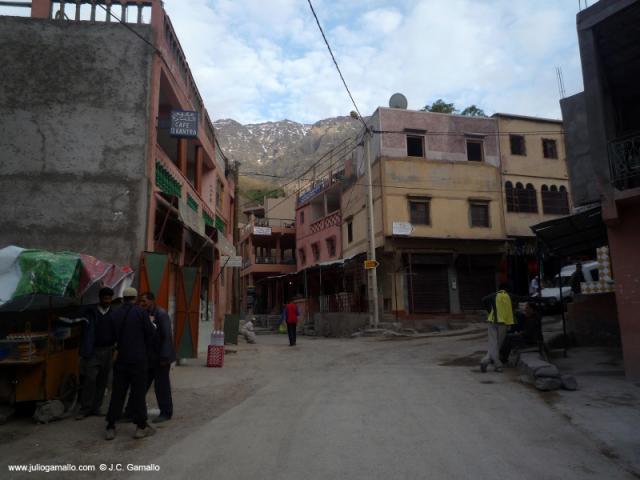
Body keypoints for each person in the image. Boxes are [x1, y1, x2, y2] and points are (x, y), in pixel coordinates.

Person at [105, 287, 156, 441]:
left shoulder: (114, 314)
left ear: (123, 298)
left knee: (118, 393)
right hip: (138, 359)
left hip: (121, 358)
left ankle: (111, 426)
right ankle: (140, 427)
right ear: (134, 298)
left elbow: (111, 336)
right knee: (138, 393)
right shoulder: (141, 313)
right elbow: (150, 333)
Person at [76, 287, 115, 419]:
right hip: (93, 351)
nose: (107, 301)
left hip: (108, 350)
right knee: (90, 379)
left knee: (102, 381)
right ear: (100, 299)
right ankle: (85, 409)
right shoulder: (90, 312)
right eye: (105, 298)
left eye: (109, 299)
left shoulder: (113, 314)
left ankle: (96, 408)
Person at [139, 292, 176, 424]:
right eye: (140, 301)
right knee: (142, 385)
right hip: (150, 358)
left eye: (144, 301)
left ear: (152, 301)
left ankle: (166, 412)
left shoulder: (161, 314)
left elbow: (166, 336)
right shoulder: (145, 314)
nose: (141, 304)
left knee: (162, 386)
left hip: (161, 357)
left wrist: (164, 356)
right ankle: (133, 410)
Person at [480, 283, 515, 373]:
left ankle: (487, 361)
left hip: (491, 321)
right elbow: (524, 298)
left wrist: (489, 310)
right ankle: (495, 364)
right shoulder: (508, 296)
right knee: (497, 344)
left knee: (493, 344)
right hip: (502, 323)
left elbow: (484, 299)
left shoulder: (494, 295)